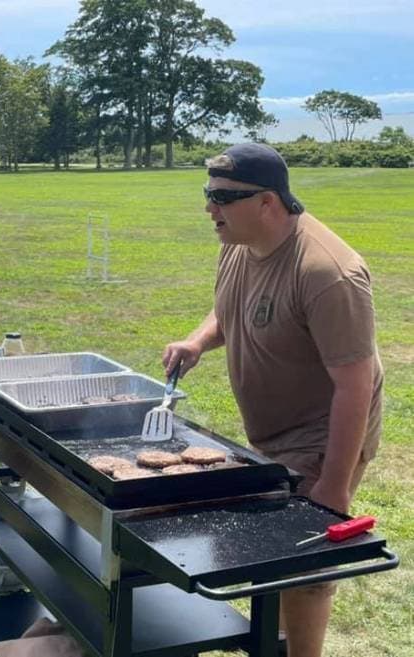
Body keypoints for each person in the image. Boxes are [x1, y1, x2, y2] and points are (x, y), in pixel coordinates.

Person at [164, 143, 382, 657]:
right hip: (272, 432)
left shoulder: (329, 274)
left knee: (301, 560)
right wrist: (198, 340)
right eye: (207, 193)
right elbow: (231, 308)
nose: (209, 208)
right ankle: (276, 641)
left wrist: (332, 484)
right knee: (269, 550)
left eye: (222, 197)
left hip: (322, 432)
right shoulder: (239, 241)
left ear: (268, 202)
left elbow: (357, 384)